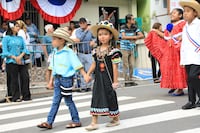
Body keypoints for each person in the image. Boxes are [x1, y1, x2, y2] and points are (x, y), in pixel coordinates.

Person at [37, 28, 90, 129]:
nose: (52, 41)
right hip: (57, 79)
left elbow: (77, 65)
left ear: (61, 40)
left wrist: (85, 75)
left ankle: (76, 120)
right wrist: (50, 81)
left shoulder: (68, 52)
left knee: (68, 101)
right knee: (56, 101)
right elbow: (53, 68)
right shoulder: (54, 53)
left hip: (66, 79)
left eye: (54, 39)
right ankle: (49, 121)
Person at [85, 20, 122, 131]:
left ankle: (115, 118)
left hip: (108, 79)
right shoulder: (95, 51)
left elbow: (115, 67)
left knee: (110, 97)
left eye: (105, 34)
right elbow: (94, 63)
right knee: (95, 97)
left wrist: (115, 82)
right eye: (100, 34)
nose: (102, 37)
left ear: (110, 36)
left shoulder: (114, 51)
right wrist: (88, 73)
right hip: (98, 79)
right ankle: (94, 122)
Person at [146, 8, 187, 96]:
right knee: (168, 68)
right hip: (169, 51)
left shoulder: (183, 24)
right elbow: (166, 37)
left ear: (180, 15)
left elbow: (184, 34)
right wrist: (155, 31)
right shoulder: (170, 25)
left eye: (175, 13)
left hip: (178, 50)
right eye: (172, 13)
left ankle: (180, 88)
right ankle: (173, 85)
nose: (172, 14)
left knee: (178, 69)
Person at [1, 21, 31, 102]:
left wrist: (20, 56)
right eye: (16, 26)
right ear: (12, 27)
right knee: (13, 79)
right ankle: (15, 96)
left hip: (20, 60)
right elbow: (5, 51)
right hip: (11, 61)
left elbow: (24, 48)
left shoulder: (20, 38)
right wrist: (14, 57)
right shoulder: (6, 38)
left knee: (25, 77)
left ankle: (26, 95)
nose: (18, 28)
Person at [179, 0, 200, 109]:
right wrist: (182, 60)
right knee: (189, 80)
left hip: (197, 57)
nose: (185, 13)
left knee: (193, 77)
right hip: (188, 57)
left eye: (188, 11)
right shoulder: (185, 27)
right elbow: (184, 44)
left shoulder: (199, 24)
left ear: (195, 13)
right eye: (184, 11)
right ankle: (191, 101)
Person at [120, 14, 144, 86]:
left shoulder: (135, 27)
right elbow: (123, 37)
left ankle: (131, 79)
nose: (134, 20)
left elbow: (142, 35)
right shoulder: (123, 27)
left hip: (132, 47)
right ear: (128, 20)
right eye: (133, 19)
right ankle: (126, 81)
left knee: (132, 64)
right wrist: (134, 37)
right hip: (124, 48)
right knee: (125, 65)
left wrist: (132, 37)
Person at [72, 17, 95, 92]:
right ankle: (83, 86)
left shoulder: (90, 31)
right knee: (82, 70)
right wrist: (85, 31)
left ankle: (88, 85)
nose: (82, 24)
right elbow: (79, 39)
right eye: (81, 23)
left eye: (83, 23)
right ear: (79, 24)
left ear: (86, 23)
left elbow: (95, 38)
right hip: (80, 52)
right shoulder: (77, 31)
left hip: (88, 52)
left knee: (89, 70)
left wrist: (93, 41)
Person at [42, 24, 54, 90]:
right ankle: (48, 83)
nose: (53, 29)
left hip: (54, 53)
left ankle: (52, 83)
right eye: (52, 28)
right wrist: (46, 55)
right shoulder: (45, 37)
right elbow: (44, 46)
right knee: (48, 69)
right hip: (49, 54)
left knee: (53, 69)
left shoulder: (53, 36)